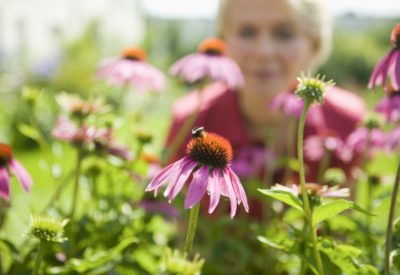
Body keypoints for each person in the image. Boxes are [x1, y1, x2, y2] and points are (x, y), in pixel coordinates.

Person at [164, 0, 366, 206]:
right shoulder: (190, 121)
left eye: (284, 33)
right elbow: (181, 225)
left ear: (314, 45)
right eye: (247, 32)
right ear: (223, 42)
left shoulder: (348, 124)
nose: (263, 51)